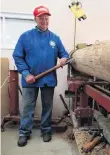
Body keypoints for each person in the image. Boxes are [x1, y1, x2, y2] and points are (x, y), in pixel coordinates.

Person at [12, 6, 69, 147]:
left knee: (47, 106)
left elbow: (64, 54)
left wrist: (63, 59)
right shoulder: (25, 37)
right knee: (27, 107)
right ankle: (24, 132)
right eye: (41, 17)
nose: (44, 20)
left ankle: (46, 130)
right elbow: (17, 56)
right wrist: (25, 73)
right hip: (30, 80)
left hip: (48, 80)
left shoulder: (55, 38)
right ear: (35, 19)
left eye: (46, 18)